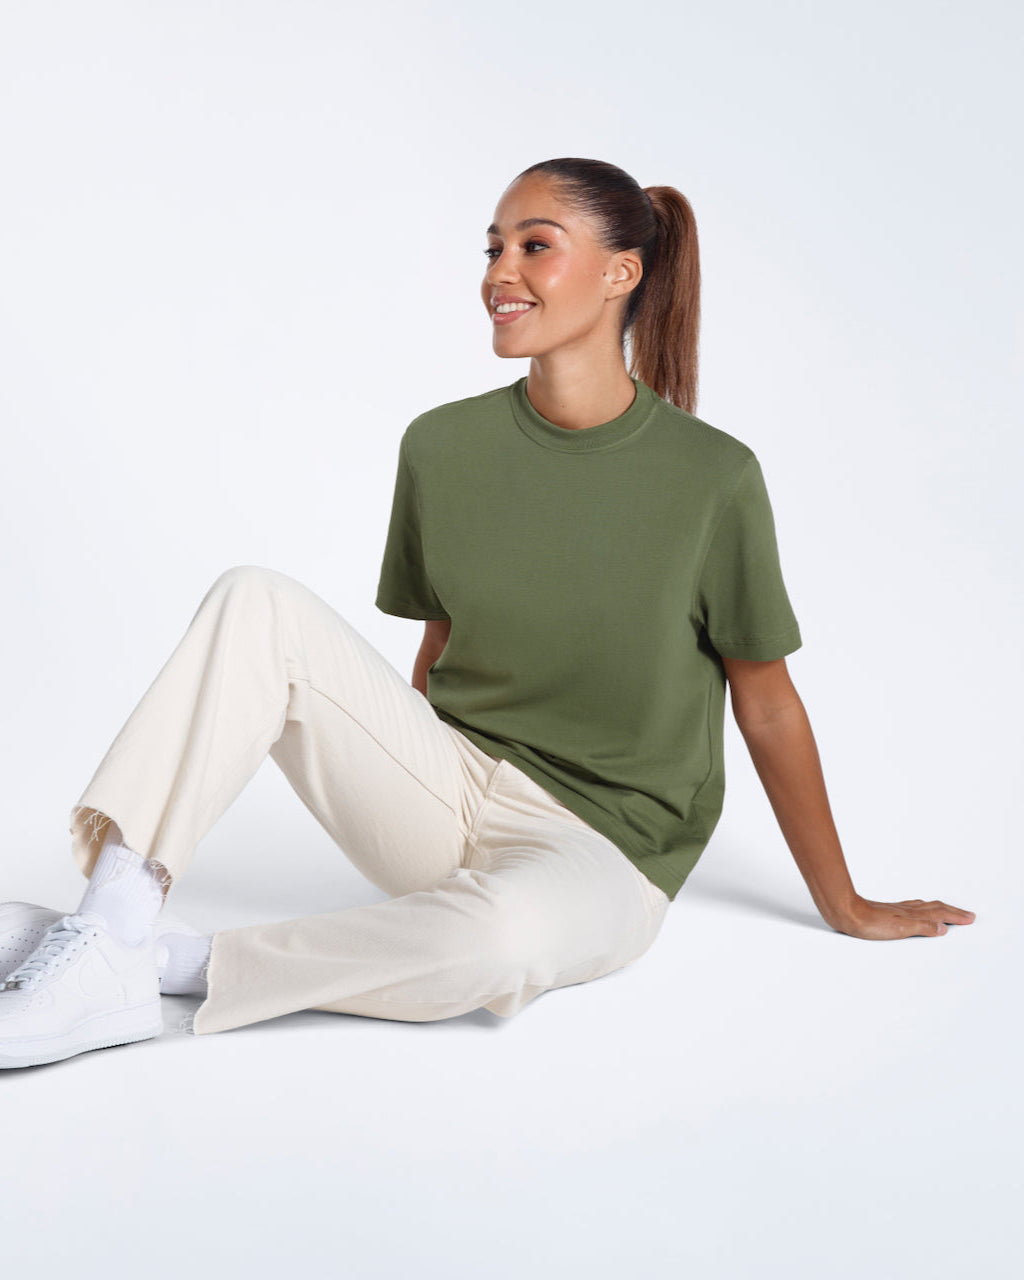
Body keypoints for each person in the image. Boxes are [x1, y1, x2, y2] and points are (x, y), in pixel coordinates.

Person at [0, 156, 975, 1069]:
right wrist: (408, 769)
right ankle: (110, 921)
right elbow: (437, 648)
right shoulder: (443, 445)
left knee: (498, 945)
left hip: (602, 849)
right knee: (254, 599)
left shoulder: (711, 478)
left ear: (619, 273)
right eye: (494, 247)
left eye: (534, 245)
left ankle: (166, 965)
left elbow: (764, 701)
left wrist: (842, 901)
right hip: (450, 787)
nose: (500, 271)